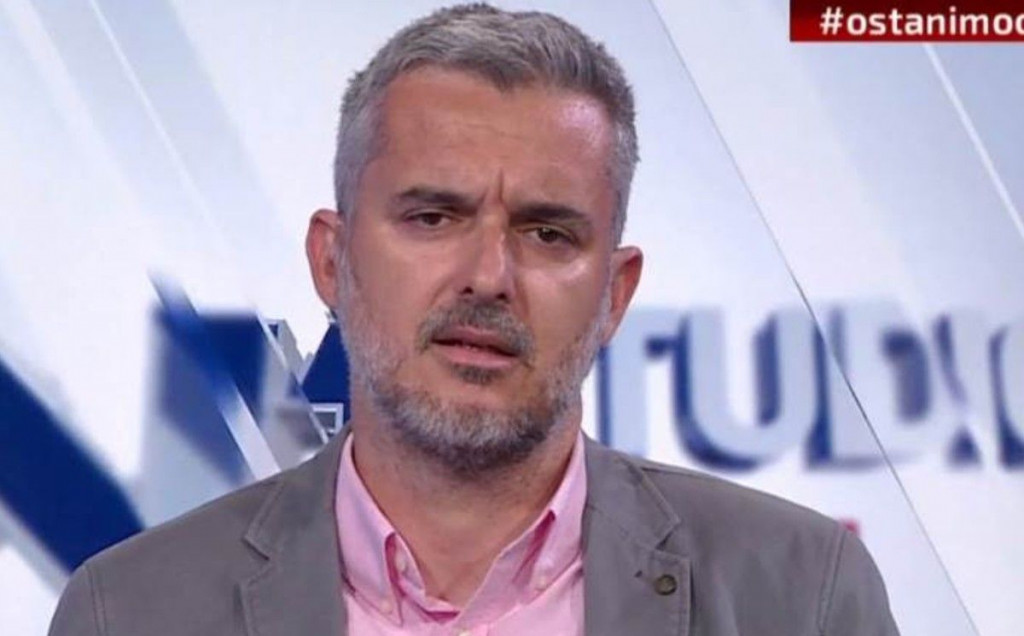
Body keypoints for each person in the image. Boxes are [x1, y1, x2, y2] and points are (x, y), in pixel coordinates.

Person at [49, 4, 899, 635]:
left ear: (615, 294)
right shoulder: (129, 612)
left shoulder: (804, 595)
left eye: (548, 233)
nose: (489, 276)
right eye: (433, 217)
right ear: (332, 262)